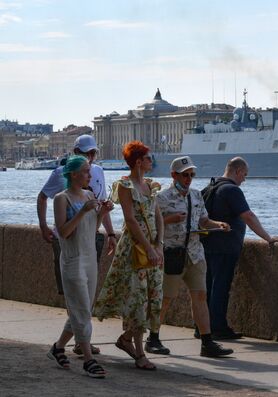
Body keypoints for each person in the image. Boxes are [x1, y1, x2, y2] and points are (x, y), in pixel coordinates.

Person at [146, 156, 234, 358]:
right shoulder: (161, 197)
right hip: (171, 253)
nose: (189, 179)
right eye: (185, 175)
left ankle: (207, 342)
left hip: (195, 253)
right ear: (173, 175)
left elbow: (203, 220)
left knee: (200, 296)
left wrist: (217, 224)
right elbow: (151, 225)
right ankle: (153, 338)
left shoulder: (196, 195)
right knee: (165, 298)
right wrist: (170, 219)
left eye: (192, 175)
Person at [37, 134, 116, 356]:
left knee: (83, 305)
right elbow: (44, 199)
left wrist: (109, 228)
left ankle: (61, 346)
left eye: (93, 154)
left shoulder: (95, 178)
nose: (90, 160)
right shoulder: (61, 185)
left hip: (90, 244)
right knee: (78, 302)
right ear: (75, 154)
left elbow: (94, 216)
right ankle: (86, 352)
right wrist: (43, 226)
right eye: (85, 154)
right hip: (70, 250)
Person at [93, 141, 164, 371]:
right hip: (134, 248)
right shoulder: (125, 185)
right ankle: (140, 353)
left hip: (152, 246)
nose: (151, 161)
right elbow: (131, 220)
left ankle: (126, 340)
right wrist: (149, 247)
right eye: (148, 158)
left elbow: (158, 215)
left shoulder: (151, 185)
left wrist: (159, 245)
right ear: (138, 162)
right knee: (137, 299)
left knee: (151, 298)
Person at [202, 157, 278, 339]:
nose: (244, 180)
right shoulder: (232, 190)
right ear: (237, 171)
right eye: (244, 175)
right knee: (220, 288)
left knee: (207, 288)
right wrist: (268, 238)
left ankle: (201, 328)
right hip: (225, 247)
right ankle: (218, 328)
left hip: (206, 246)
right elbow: (248, 216)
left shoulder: (209, 188)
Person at [48, 155, 113, 378]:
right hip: (73, 259)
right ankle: (88, 359)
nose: (90, 175)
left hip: (89, 258)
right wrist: (83, 211)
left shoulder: (90, 195)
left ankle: (57, 348)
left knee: (82, 308)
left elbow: (92, 229)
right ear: (73, 174)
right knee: (82, 309)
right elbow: (63, 233)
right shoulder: (61, 198)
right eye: (86, 171)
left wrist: (102, 213)